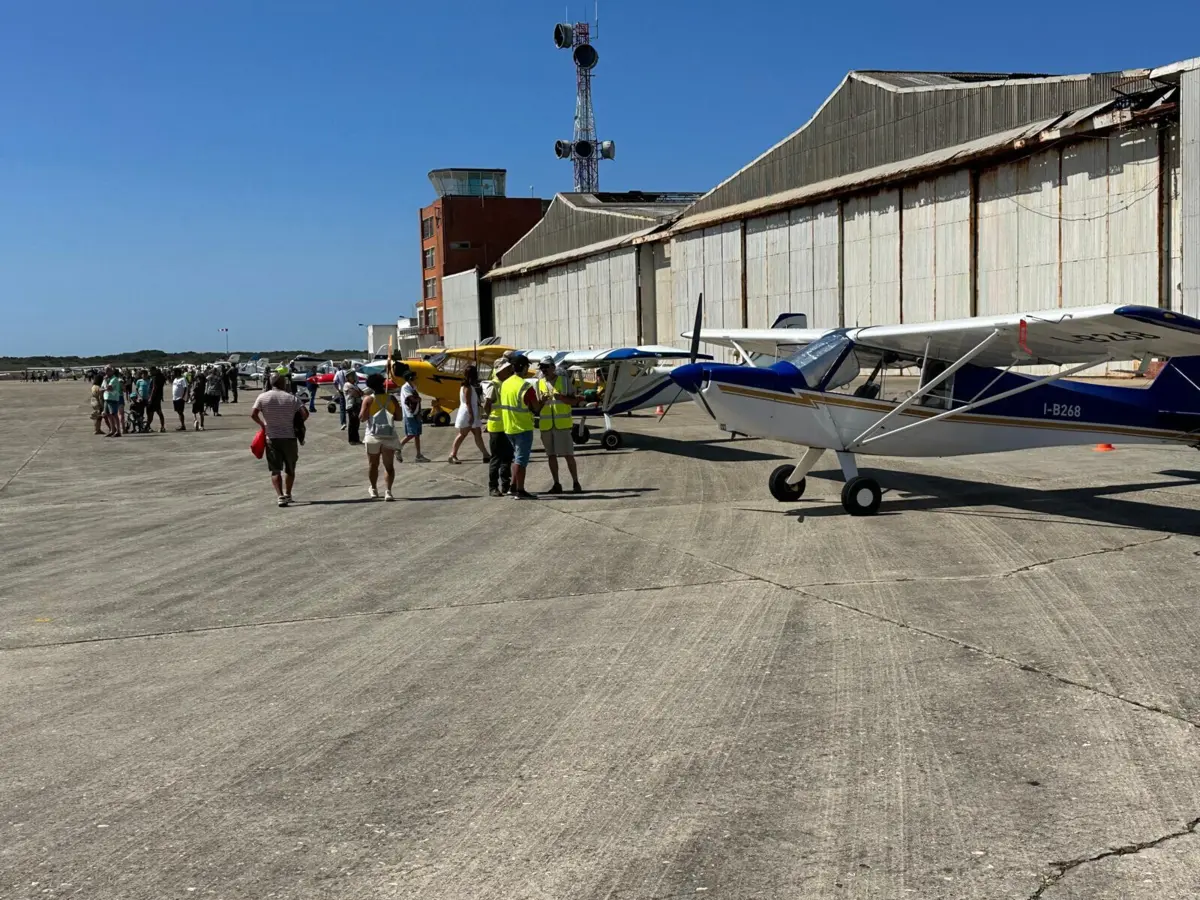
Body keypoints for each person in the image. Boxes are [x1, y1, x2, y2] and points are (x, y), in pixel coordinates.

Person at [251, 374, 309, 507]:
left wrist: (262, 424)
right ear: (283, 384)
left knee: (275, 469)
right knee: (290, 468)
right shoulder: (291, 398)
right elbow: (305, 413)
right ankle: (288, 493)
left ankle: (280, 496)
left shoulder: (263, 397)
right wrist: (297, 424)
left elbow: (253, 414)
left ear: (271, 383)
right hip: (289, 437)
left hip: (272, 437)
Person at [536, 356, 583, 493]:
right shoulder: (539, 383)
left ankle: (576, 482)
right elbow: (536, 407)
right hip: (546, 425)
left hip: (562, 425)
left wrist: (562, 398)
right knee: (551, 456)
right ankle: (556, 483)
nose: (543, 370)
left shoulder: (564, 381)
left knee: (569, 455)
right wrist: (541, 401)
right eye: (541, 367)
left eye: (546, 367)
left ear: (553, 368)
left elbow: (574, 402)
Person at [500, 354, 544, 499]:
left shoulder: (505, 383)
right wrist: (542, 401)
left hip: (508, 427)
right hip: (523, 427)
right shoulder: (526, 386)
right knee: (521, 461)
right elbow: (536, 408)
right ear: (524, 367)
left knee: (516, 458)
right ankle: (520, 490)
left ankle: (513, 486)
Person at [359, 373, 401, 500]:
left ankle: (374, 489)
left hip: (373, 435)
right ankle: (388, 491)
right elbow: (399, 417)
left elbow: (362, 418)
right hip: (389, 435)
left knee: (373, 465)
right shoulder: (391, 399)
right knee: (389, 466)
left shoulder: (368, 399)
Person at [482, 356, 514, 497]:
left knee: (507, 457)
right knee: (496, 458)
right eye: (506, 369)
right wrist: (490, 418)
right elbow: (487, 405)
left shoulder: (506, 384)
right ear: (499, 371)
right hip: (496, 427)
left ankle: (506, 485)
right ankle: (493, 487)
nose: (509, 370)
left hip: (507, 426)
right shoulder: (494, 385)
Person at [448, 365, 490, 464]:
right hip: (468, 413)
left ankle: (486, 454)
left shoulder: (467, 386)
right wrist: (471, 415)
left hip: (471, 413)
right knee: (463, 434)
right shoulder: (467, 387)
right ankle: (452, 455)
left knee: (478, 434)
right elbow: (468, 402)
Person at [398, 377, 429, 462]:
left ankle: (418, 455)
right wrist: (418, 399)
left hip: (416, 414)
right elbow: (412, 399)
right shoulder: (405, 387)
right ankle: (398, 448)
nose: (417, 380)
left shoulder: (413, 387)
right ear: (410, 379)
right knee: (411, 434)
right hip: (410, 415)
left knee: (417, 435)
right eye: (415, 379)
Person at [101, 365, 123, 438]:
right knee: (108, 414)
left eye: (107, 370)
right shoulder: (106, 379)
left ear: (111, 371)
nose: (106, 372)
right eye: (105, 370)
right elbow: (101, 388)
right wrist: (104, 387)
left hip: (113, 398)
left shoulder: (114, 379)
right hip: (107, 398)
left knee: (114, 414)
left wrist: (104, 387)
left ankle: (118, 431)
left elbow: (109, 388)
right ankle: (112, 430)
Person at [342, 371, 363, 445]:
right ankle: (351, 440)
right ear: (348, 377)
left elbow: (361, 393)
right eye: (352, 375)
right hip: (351, 406)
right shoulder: (347, 385)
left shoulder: (354, 385)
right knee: (352, 423)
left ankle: (356, 439)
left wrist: (359, 393)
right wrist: (359, 393)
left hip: (357, 405)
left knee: (356, 423)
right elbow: (356, 394)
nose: (354, 377)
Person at [147, 366, 167, 432]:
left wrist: (150, 397)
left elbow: (154, 388)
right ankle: (162, 427)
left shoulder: (155, 377)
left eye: (150, 371)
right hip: (158, 397)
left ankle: (147, 426)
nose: (150, 372)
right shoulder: (161, 376)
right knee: (159, 412)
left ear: (154, 370)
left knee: (151, 413)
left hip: (154, 398)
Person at [332, 361, 350, 430]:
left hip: (342, 391)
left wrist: (338, 389)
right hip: (349, 391)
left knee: (342, 408)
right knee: (350, 407)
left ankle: (343, 423)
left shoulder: (338, 373)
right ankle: (352, 422)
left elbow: (335, 382)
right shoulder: (350, 372)